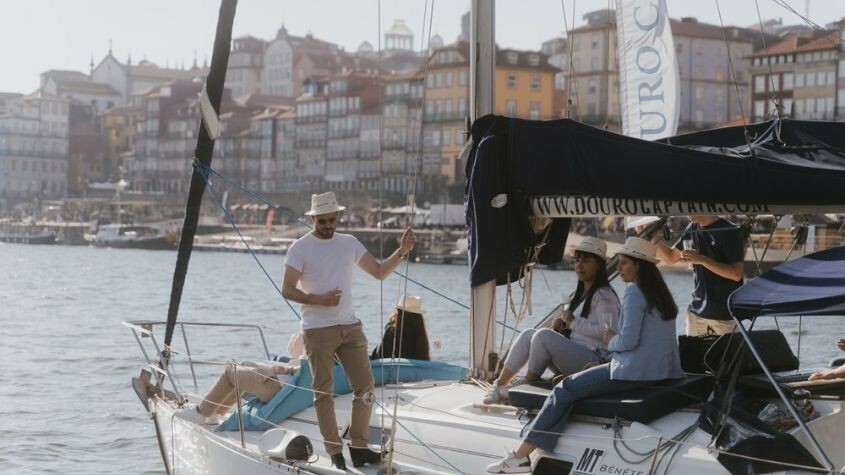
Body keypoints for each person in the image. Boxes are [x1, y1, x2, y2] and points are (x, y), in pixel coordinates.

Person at [487, 237, 684, 473]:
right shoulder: (661, 295)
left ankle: (519, 457)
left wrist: (610, 339)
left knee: (565, 389)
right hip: (660, 372)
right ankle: (529, 442)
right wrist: (602, 363)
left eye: (623, 263)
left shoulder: (634, 292)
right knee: (571, 383)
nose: (619, 269)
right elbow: (651, 344)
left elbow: (626, 342)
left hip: (635, 372)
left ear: (638, 265)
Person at [281, 192, 416, 470]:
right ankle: (334, 452)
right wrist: (319, 300)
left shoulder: (349, 243)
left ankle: (359, 447)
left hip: (350, 327)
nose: (328, 225)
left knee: (365, 388)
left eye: (332, 219)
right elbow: (287, 289)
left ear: (337, 217)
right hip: (317, 329)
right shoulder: (299, 248)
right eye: (322, 220)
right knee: (323, 391)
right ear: (312, 218)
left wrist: (401, 251)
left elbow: (379, 272)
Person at [483, 237, 620, 404]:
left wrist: (573, 322)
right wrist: (563, 326)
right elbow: (580, 330)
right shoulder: (582, 294)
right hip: (577, 354)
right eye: (577, 260)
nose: (579, 265)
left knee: (543, 336)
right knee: (528, 334)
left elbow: (609, 335)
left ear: (598, 264)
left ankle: (524, 385)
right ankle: (499, 385)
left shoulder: (604, 295)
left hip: (594, 359)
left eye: (586, 261)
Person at [653, 216, 746, 336]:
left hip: (724, 317)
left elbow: (736, 274)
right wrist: (652, 237)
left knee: (726, 355)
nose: (686, 213)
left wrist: (702, 260)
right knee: (692, 355)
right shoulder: (692, 228)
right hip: (696, 314)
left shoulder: (730, 231)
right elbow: (670, 258)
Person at [371, 295, 431, 361]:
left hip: (391, 370)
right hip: (415, 371)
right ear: (419, 319)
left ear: (399, 313)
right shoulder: (421, 337)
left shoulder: (391, 332)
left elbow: (381, 357)